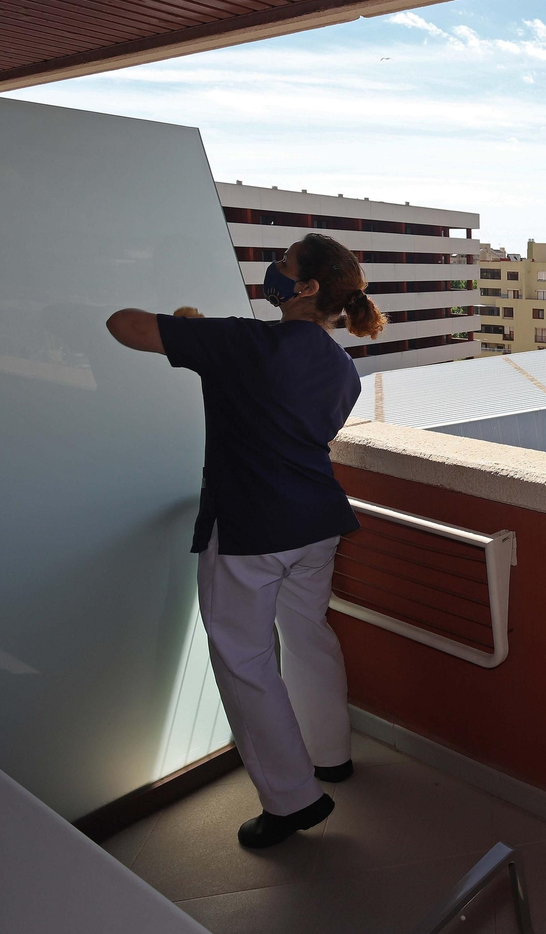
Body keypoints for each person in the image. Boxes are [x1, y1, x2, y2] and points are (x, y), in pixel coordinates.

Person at [107, 233, 386, 848]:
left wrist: (196, 333)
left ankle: (291, 801)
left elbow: (121, 324)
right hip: (317, 524)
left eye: (284, 264)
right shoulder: (343, 367)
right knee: (308, 633)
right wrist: (206, 339)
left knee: (243, 660)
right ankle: (329, 753)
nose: (273, 270)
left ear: (307, 288)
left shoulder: (242, 342)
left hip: (251, 530)